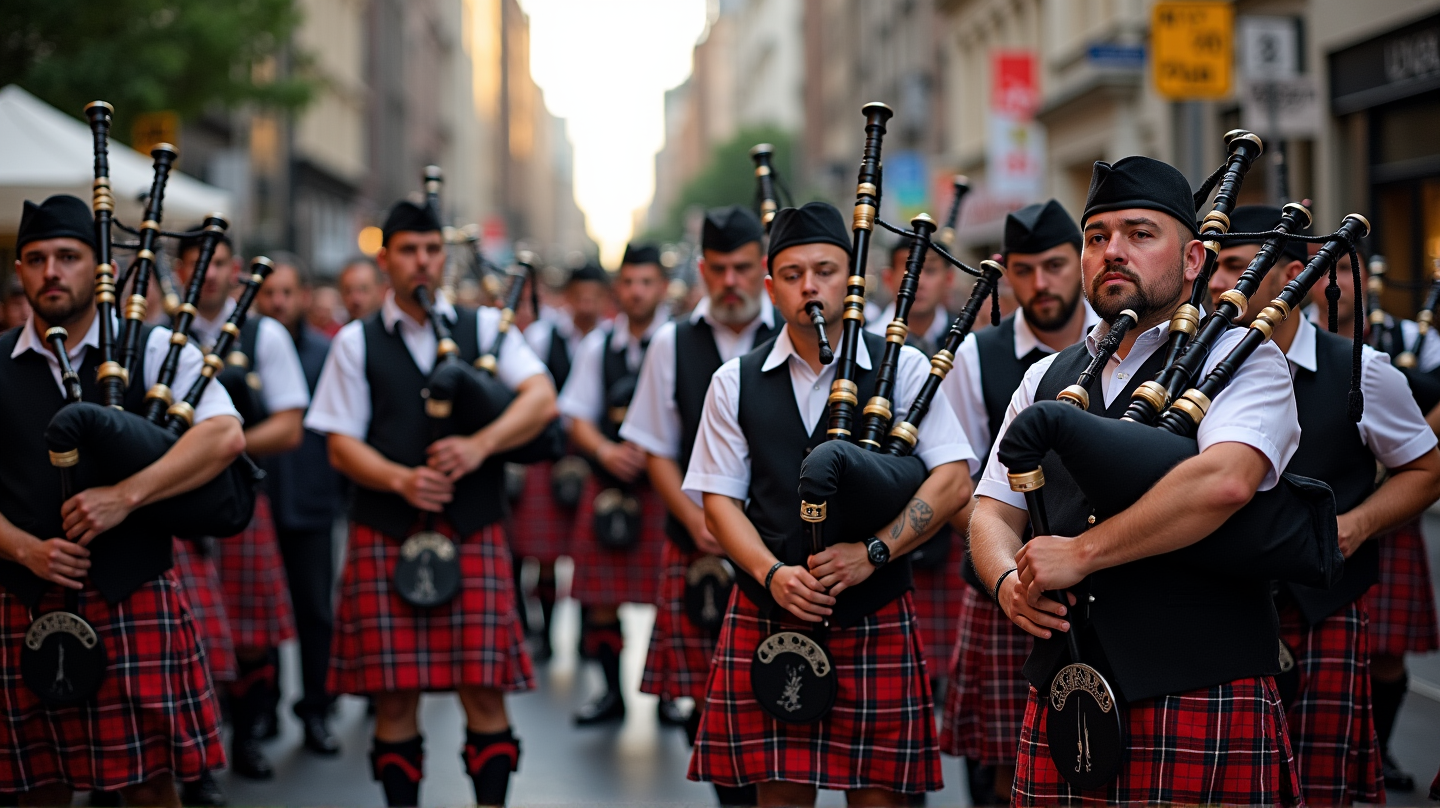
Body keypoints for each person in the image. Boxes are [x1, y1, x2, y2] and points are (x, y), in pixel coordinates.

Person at [970, 157, 1304, 805]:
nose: (1112, 251)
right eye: (1097, 237)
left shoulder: (1244, 358)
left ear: (1193, 260)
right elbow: (992, 510)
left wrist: (1082, 554)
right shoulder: (1046, 376)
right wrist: (1007, 582)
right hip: (1072, 693)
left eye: (1140, 233)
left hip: (1202, 686)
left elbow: (1225, 482)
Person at [685, 202, 975, 805]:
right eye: (792, 275)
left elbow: (951, 481)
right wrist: (772, 574)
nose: (809, 286)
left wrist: (873, 552)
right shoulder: (734, 381)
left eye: (824, 269)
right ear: (771, 286)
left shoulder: (903, 367)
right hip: (772, 613)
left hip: (874, 611)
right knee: (780, 797)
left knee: (877, 799)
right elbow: (720, 504)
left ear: (852, 278)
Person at [305, 200, 554, 807]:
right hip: (386, 530)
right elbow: (339, 443)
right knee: (392, 695)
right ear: (385, 258)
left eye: (432, 250)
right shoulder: (356, 342)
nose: (423, 262)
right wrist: (400, 480)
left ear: (443, 257)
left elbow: (542, 399)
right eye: (410, 251)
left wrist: (480, 445)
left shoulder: (486, 328)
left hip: (472, 528)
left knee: (485, 690)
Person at [0, 195, 243, 807]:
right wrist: (24, 549)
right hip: (21, 596)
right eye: (36, 259)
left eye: (68, 256)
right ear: (21, 271)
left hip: (131, 592)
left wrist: (126, 496)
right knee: (34, 790)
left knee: (150, 787)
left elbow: (223, 435)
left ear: (98, 267)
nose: (51, 270)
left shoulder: (155, 350)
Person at [1207, 204, 1440, 804]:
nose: (1214, 284)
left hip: (1323, 610)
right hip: (1219, 610)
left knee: (1317, 792)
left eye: (1235, 266)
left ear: (1291, 276)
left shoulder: (1360, 371)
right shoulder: (1197, 370)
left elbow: (1428, 467)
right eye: (1212, 267)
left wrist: (1357, 525)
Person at [939, 199, 1097, 805]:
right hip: (1007, 590)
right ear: (1007, 271)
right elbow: (957, 480)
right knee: (1013, 767)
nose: (1041, 283)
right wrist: (1008, 561)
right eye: (1025, 270)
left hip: (1108, 582)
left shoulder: (1123, 336)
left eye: (1055, 265)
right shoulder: (980, 355)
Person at [622, 206, 776, 803]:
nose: (731, 281)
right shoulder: (673, 341)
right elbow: (655, 448)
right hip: (699, 548)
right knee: (710, 697)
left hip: (779, 544)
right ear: (703, 271)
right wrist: (695, 516)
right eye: (720, 269)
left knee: (776, 690)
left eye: (743, 268)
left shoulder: (793, 330)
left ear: (762, 269)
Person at [172, 229, 308, 783]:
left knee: (251, 635)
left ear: (236, 269)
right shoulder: (159, 336)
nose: (209, 272)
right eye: (197, 262)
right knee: (190, 637)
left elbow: (290, 426)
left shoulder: (265, 333)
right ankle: (198, 762)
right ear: (180, 271)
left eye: (220, 261)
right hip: (176, 510)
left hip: (238, 500)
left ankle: (248, 739)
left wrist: (220, 445)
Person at [1311, 249, 1440, 792]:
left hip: (1387, 506)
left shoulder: (1401, 341)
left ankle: (1378, 746)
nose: (1335, 282)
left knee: (1385, 649)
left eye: (1345, 270)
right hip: (1325, 518)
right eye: (1326, 271)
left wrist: (1399, 452)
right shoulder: (1276, 343)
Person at [558, 243, 671, 725]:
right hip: (608, 487)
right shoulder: (596, 346)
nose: (637, 291)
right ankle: (611, 693)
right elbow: (575, 415)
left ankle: (671, 692)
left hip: (666, 488)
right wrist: (605, 451)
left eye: (646, 282)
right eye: (628, 282)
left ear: (662, 287)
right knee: (602, 601)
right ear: (617, 289)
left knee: (674, 597)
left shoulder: (681, 341)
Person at [254, 255, 347, 756]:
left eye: (287, 292)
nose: (278, 302)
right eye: (269, 293)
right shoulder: (240, 347)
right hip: (257, 502)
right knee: (262, 614)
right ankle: (262, 709)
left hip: (312, 501)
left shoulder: (328, 352)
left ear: (303, 296)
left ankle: (317, 709)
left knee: (315, 610)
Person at [512, 262, 611, 660]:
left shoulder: (610, 340)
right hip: (549, 452)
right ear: (568, 298)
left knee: (591, 551)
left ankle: (590, 636)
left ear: (604, 299)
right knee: (546, 553)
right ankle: (546, 635)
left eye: (593, 296)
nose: (586, 304)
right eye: (579, 296)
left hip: (593, 453)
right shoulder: (540, 337)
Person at [339, 257, 387, 324]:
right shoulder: (342, 333)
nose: (355, 298)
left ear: (382, 291)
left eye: (363, 289)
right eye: (348, 291)